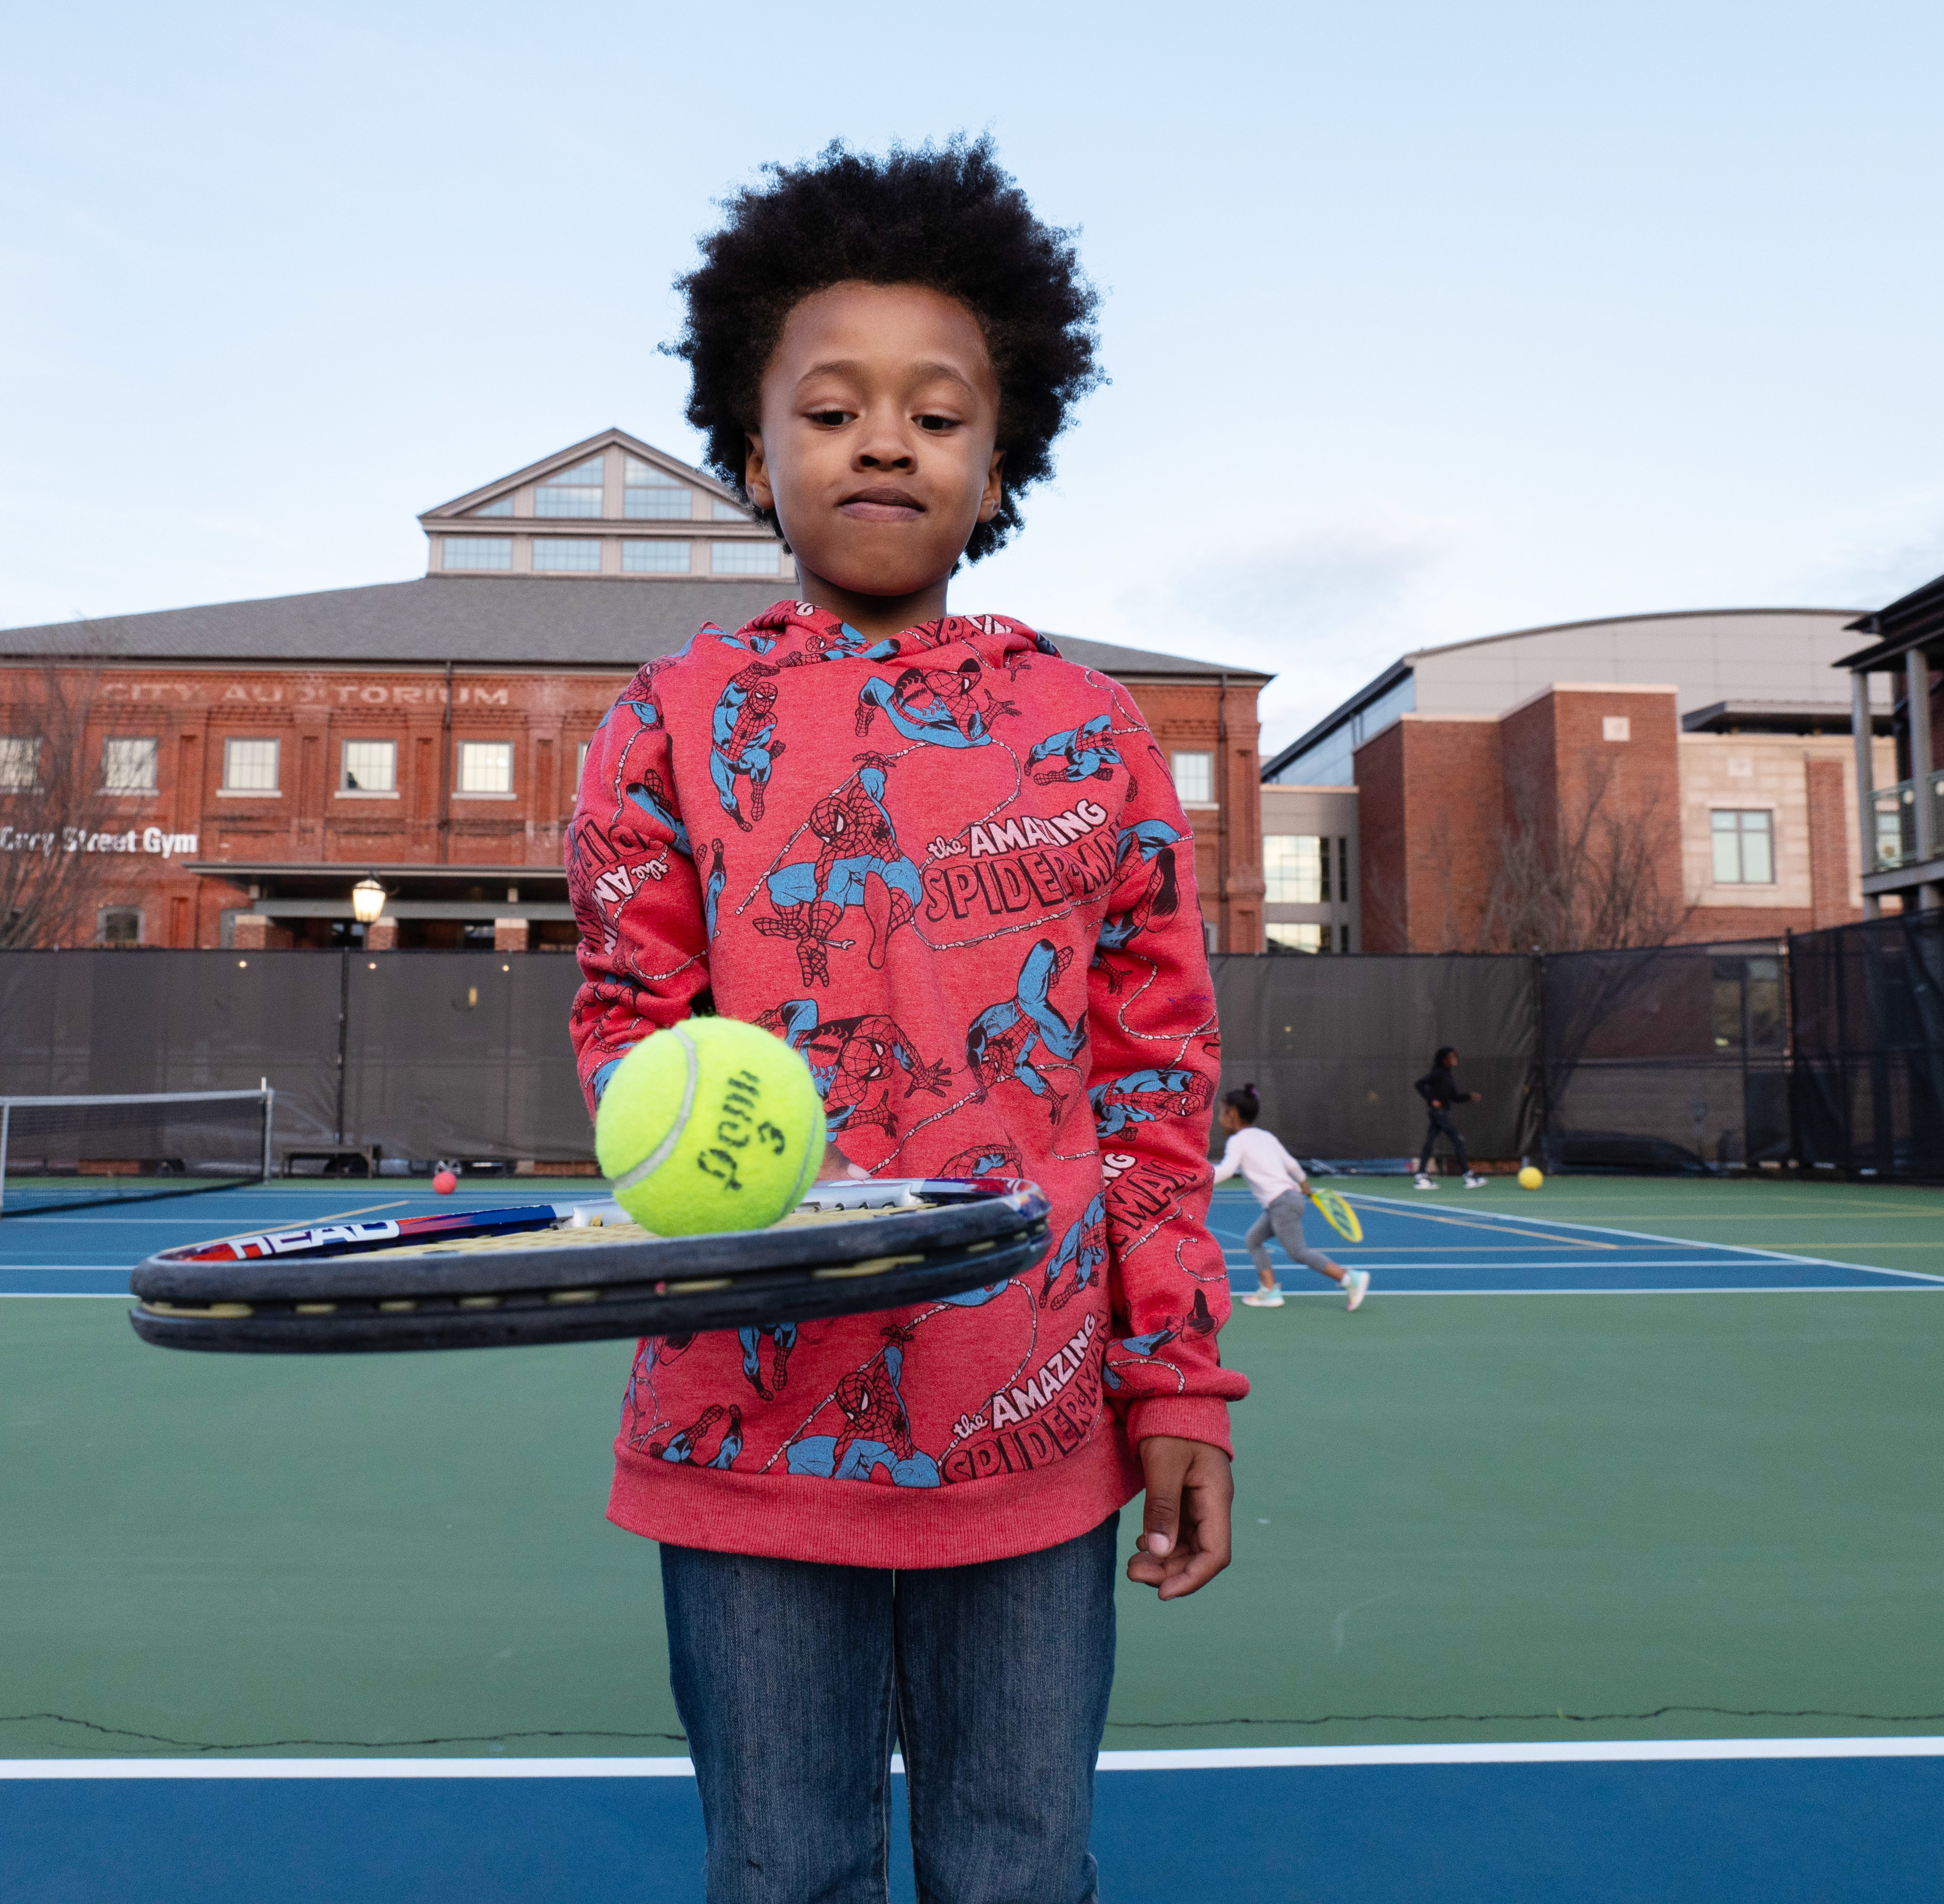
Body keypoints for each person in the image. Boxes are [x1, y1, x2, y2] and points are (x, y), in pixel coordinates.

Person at [565, 139, 1243, 1904]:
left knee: (1018, 1873)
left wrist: (1177, 1377)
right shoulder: (661, 723)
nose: (887, 440)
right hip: (740, 1419)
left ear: (998, 462)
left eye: (937, 415)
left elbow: (1154, 1092)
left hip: (1033, 1424)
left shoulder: (1099, 734)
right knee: (782, 1869)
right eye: (834, 407)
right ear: (750, 449)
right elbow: (630, 1032)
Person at [1212, 1083, 1367, 1311]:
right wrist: (1303, 1183)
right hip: (1289, 1199)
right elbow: (1292, 1165)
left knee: (1298, 1253)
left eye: (1221, 1112)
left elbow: (1226, 1170)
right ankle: (1269, 1291)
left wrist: (1199, 1177)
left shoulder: (1238, 1141)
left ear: (1232, 1114)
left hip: (1281, 1203)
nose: (1218, 1118)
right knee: (1253, 1240)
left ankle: (1349, 1278)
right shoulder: (1266, 1137)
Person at [1413, 1045, 1485, 1190]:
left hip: (1441, 1113)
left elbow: (1454, 1097)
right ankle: (1468, 1176)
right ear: (1444, 1060)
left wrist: (1469, 1097)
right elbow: (1419, 1084)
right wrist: (1431, 1100)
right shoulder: (1438, 1073)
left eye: (1455, 1056)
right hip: (1438, 1113)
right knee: (1458, 1140)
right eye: (1451, 1057)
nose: (1454, 1059)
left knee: (1429, 1143)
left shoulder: (1448, 1075)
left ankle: (1421, 1176)